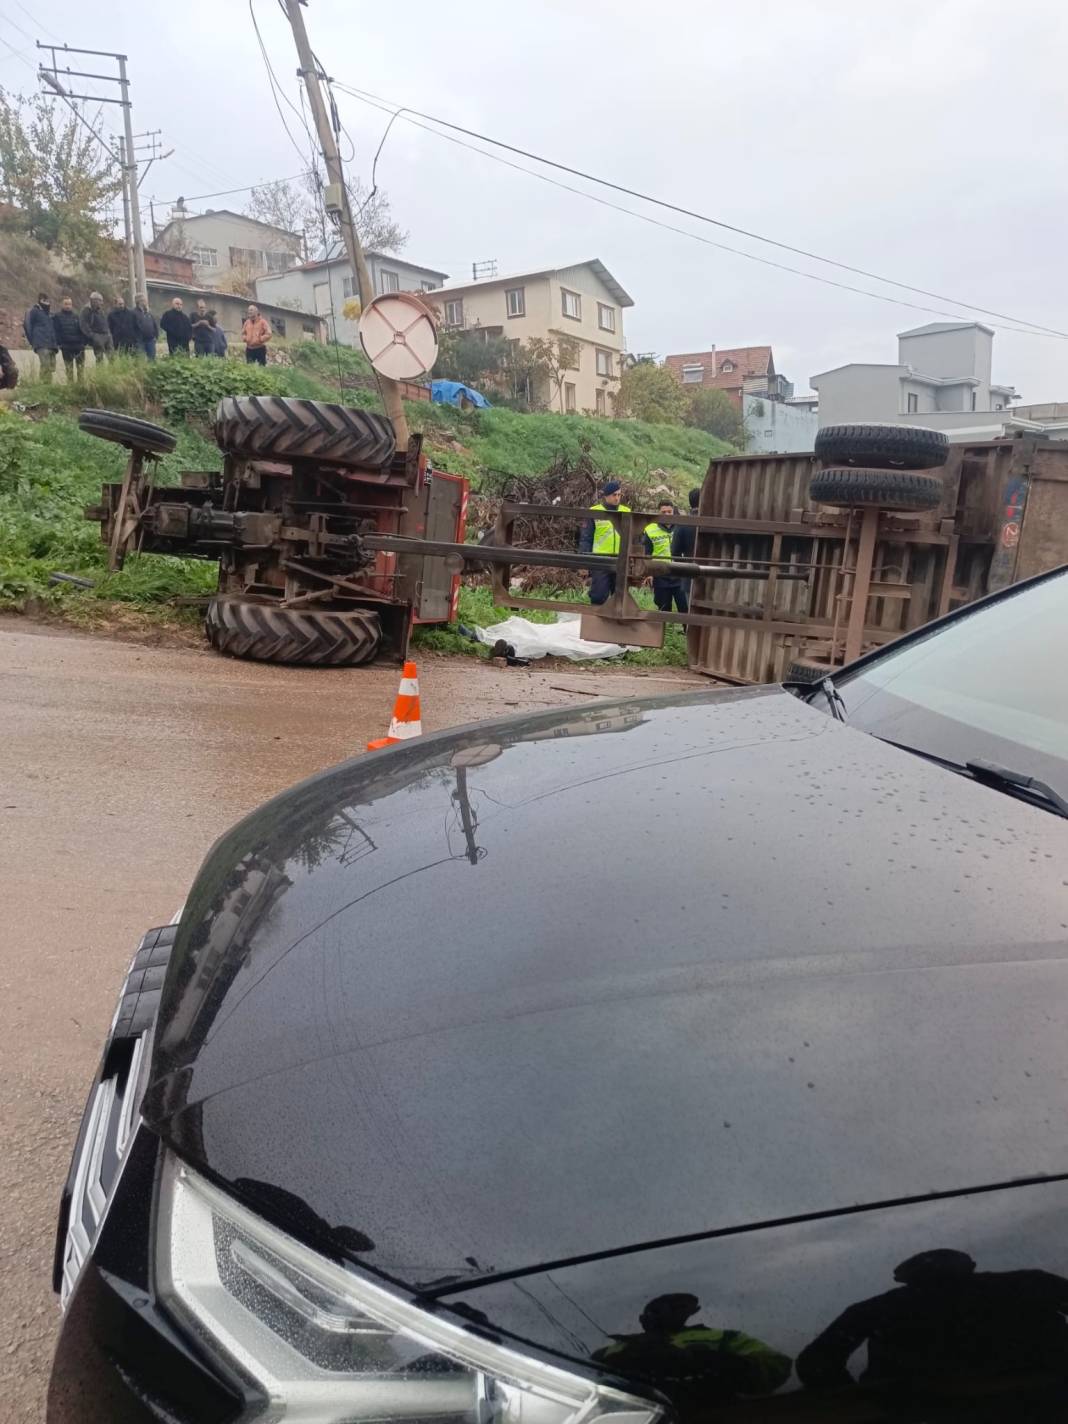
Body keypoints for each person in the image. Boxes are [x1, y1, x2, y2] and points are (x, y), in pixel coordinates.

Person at [796, 1248, 1068, 1407]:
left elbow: (815, 1364)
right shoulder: (1029, 1284)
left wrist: (864, 1404)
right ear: (969, 1267)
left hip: (919, 1412)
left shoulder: (879, 1308)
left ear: (907, 1279)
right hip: (1042, 1404)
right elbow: (815, 1363)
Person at [594, 1294, 791, 1416]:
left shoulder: (723, 1337)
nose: (669, 1312)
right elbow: (588, 1382)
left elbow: (778, 1367)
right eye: (659, 1308)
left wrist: (713, 1363)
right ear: (644, 1318)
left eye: (678, 1307)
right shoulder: (618, 1347)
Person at [578, 480, 631, 605]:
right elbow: (586, 538)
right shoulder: (594, 512)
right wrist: (584, 561)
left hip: (620, 559)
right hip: (600, 559)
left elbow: (634, 538)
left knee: (619, 597)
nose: (617, 498)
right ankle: (596, 622)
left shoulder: (627, 512)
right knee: (598, 595)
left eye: (619, 494)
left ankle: (615, 624)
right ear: (606, 496)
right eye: (614, 495)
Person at [644, 500, 688, 615]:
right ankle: (664, 632)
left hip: (680, 574)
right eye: (664, 512)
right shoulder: (650, 529)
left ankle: (686, 631)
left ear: (673, 512)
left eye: (669, 512)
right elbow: (647, 553)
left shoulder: (681, 527)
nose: (667, 514)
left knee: (685, 608)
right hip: (660, 575)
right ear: (659, 513)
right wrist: (648, 573)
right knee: (663, 609)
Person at [671, 487, 702, 608]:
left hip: (689, 577)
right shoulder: (715, 522)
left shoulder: (683, 524)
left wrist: (685, 568)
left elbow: (674, 552)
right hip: (713, 579)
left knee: (692, 614)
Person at [23, 292, 57, 384]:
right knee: (45, 366)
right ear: (39, 300)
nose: (46, 302)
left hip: (51, 344)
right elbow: (27, 325)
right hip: (41, 343)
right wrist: (32, 341)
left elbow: (53, 328)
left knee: (51, 367)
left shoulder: (50, 314)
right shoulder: (34, 311)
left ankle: (48, 386)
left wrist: (56, 343)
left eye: (47, 300)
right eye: (43, 300)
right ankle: (43, 386)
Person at [53, 297, 86, 381]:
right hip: (67, 347)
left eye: (69, 304)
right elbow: (56, 331)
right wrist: (60, 344)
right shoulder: (57, 316)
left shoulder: (76, 316)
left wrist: (83, 343)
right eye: (66, 304)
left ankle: (80, 388)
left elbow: (82, 330)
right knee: (69, 371)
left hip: (79, 347)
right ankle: (71, 388)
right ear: (62, 304)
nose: (68, 306)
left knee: (81, 371)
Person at [79, 292, 113, 363]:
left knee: (112, 358)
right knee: (99, 359)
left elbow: (105, 323)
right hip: (97, 336)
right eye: (100, 300)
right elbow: (83, 325)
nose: (102, 303)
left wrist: (109, 333)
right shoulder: (86, 310)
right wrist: (93, 336)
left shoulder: (100, 310)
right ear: (93, 300)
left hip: (106, 335)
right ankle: (100, 373)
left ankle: (113, 372)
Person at [133, 295, 158, 360]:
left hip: (150, 340)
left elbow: (154, 325)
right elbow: (132, 327)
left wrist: (156, 335)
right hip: (140, 341)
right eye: (144, 300)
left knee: (152, 359)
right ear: (139, 301)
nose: (146, 302)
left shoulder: (148, 313)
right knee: (141, 360)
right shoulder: (133, 313)